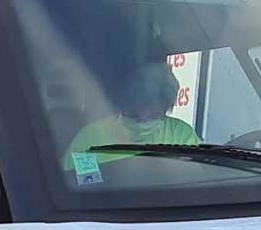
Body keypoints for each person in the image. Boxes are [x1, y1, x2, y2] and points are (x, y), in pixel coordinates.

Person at [63, 61, 201, 167]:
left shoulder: (182, 137)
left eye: (152, 115)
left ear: (166, 108)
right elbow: (83, 184)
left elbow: (192, 180)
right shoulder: (90, 140)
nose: (143, 118)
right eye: (134, 114)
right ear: (123, 104)